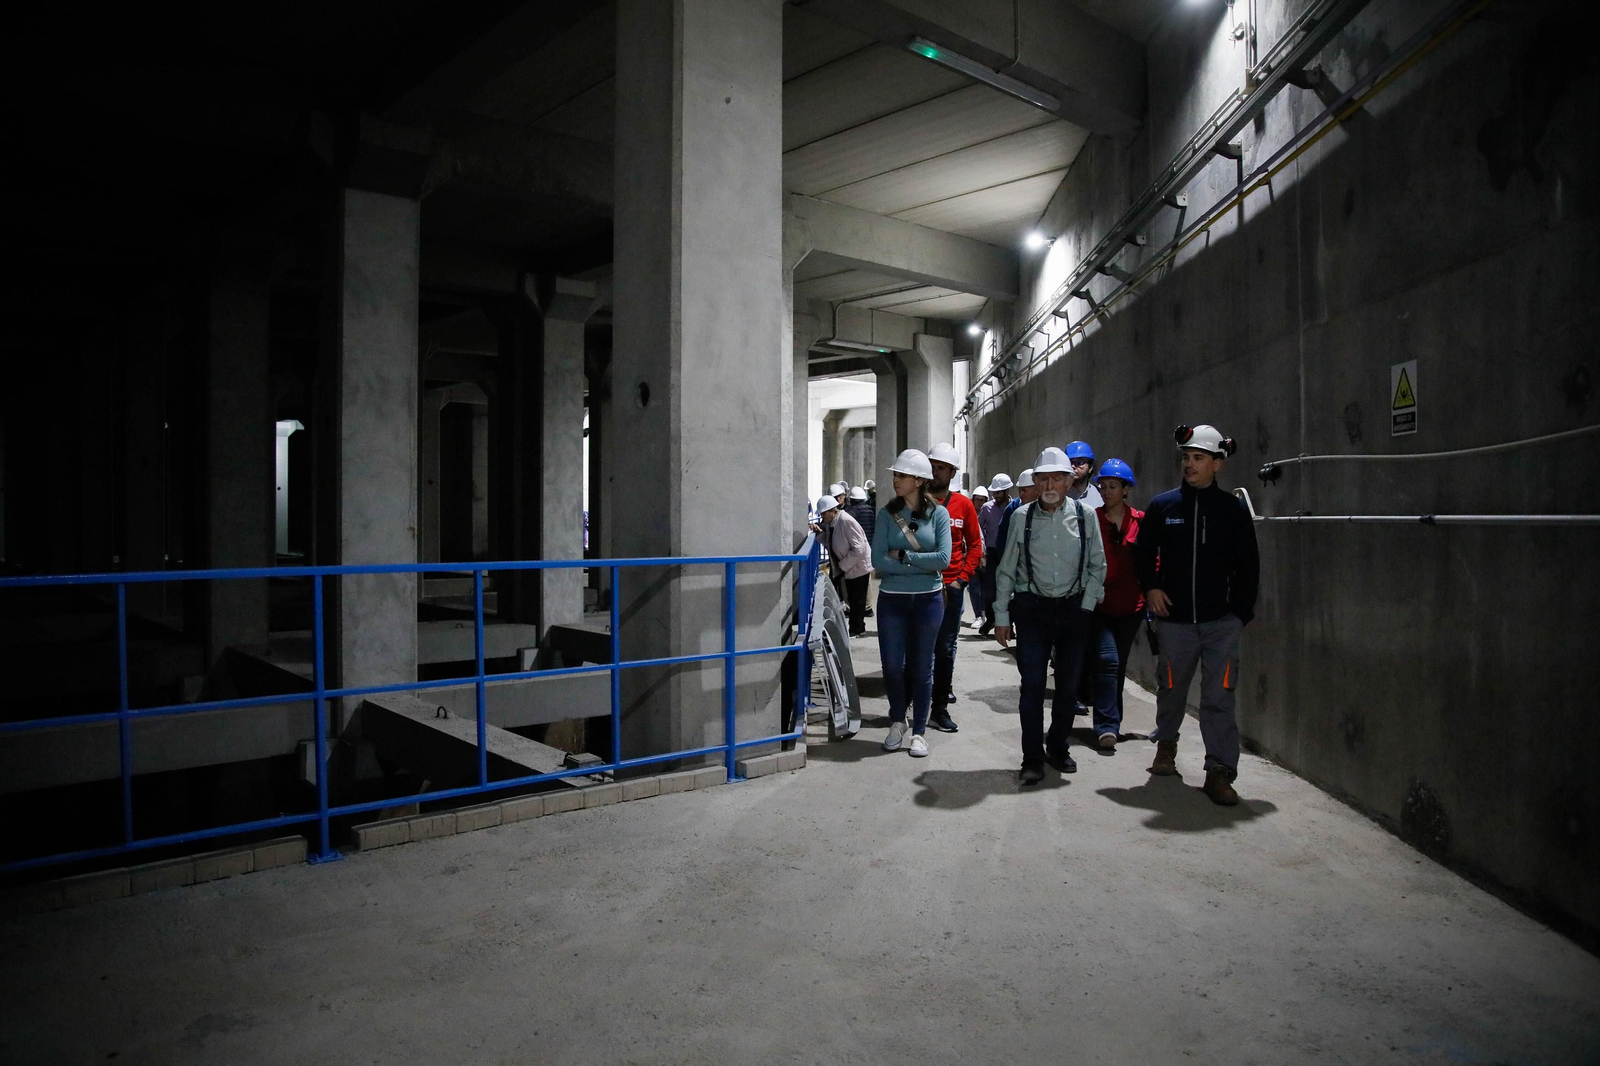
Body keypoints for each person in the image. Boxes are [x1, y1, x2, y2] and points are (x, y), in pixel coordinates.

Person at [1134, 424, 1260, 806]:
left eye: (1198, 458)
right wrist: (1151, 587)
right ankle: (1166, 747)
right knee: (1171, 689)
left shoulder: (1232, 510)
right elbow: (1142, 552)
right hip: (1175, 622)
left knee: (1219, 696)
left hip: (1221, 623)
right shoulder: (1164, 506)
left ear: (1217, 464)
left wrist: (1240, 613)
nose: (1189, 464)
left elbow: (1248, 565)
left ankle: (1219, 771)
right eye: (1186, 457)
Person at [993, 447, 1106, 784]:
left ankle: (1057, 746)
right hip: (1032, 610)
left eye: (1057, 477)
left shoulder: (1085, 516)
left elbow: (1098, 565)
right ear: (1036, 481)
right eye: (1043, 478)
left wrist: (1086, 607)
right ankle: (1032, 757)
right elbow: (1006, 570)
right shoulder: (1021, 518)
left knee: (1068, 687)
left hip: (1073, 610)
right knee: (1032, 686)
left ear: (1070, 480)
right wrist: (1001, 615)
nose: (1050, 484)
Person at [871, 449, 952, 759]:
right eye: (895, 474)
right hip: (892, 600)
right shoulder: (885, 514)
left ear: (919, 480)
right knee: (892, 667)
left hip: (928, 600)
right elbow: (878, 559)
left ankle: (919, 731)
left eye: (901, 475)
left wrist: (904, 556)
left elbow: (943, 560)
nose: (895, 480)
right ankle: (897, 720)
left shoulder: (939, 515)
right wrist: (922, 563)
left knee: (922, 668)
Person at [1086, 458, 1145, 749]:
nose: (1106, 491)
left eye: (1113, 486)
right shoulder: (1091, 518)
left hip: (1132, 605)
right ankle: (1106, 726)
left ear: (1126, 489)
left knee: (1117, 664)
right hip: (1100, 604)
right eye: (1103, 486)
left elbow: (1152, 559)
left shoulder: (1141, 521)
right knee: (1107, 661)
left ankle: (1113, 721)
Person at [924, 442, 982, 733]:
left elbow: (975, 544)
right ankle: (916, 701)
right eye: (933, 466)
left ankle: (939, 708)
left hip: (950, 588)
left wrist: (961, 579)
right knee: (919, 646)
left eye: (942, 468)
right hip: (921, 587)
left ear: (952, 472)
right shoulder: (916, 502)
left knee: (945, 648)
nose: (936, 472)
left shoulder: (964, 505)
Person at [818, 494, 871, 637]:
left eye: (823, 513)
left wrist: (843, 565)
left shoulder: (846, 521)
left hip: (857, 567)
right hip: (848, 566)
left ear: (832, 511)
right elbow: (831, 543)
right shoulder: (834, 523)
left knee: (857, 601)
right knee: (852, 599)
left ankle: (857, 629)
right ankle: (856, 627)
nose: (822, 517)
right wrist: (819, 534)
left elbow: (859, 548)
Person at [976, 474, 1013, 636]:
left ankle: (1009, 623)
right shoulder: (987, 508)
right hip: (992, 553)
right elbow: (978, 528)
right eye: (994, 493)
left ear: (1006, 491)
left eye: (999, 493)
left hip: (1010, 552)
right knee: (990, 590)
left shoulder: (1015, 507)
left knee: (1011, 589)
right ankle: (991, 619)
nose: (996, 496)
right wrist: (982, 551)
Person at [967, 484, 989, 625]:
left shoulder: (991, 513)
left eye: (983, 500)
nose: (980, 503)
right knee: (974, 587)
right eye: (978, 500)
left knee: (987, 588)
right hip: (973, 554)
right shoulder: (969, 514)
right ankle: (978, 615)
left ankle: (987, 615)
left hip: (989, 555)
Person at [1064, 441, 1104, 510]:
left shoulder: (1100, 496)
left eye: (1079, 462)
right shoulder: (1058, 494)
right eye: (1070, 462)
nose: (1073, 466)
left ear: (1090, 467)